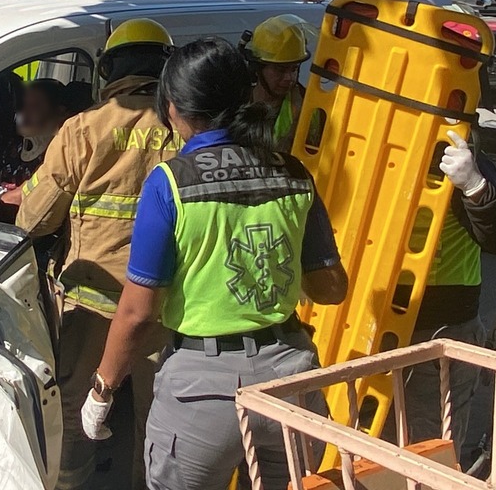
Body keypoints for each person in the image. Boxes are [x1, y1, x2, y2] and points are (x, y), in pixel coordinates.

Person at [82, 37, 349, 490]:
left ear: (172, 107)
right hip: (291, 382)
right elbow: (331, 289)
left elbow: (138, 313)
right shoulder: (294, 173)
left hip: (200, 394)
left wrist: (103, 388)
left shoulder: (169, 183)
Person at [16, 18, 179, 490]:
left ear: (110, 70)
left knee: (76, 409)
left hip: (91, 303)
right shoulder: (183, 126)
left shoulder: (83, 128)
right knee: (156, 415)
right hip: (161, 304)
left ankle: (70, 483)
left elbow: (34, 219)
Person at [401, 129, 496, 457]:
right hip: (372, 321)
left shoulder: (459, 158)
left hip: (442, 326)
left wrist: (474, 186)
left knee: (431, 444)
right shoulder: (379, 144)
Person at [0, 78, 76, 204]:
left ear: (60, 112)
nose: (25, 111)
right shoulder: (14, 148)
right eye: (24, 105)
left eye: (35, 106)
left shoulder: (61, 154)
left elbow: (24, 196)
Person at [240, 14, 312, 151]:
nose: (289, 77)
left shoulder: (307, 106)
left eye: (294, 69)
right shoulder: (237, 103)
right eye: (280, 70)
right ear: (257, 68)